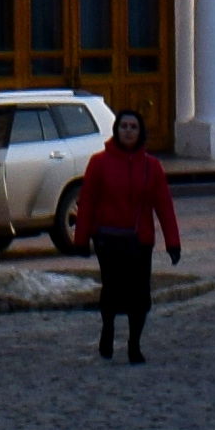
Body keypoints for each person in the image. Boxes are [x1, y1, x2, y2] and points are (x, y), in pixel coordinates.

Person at [74, 106, 185, 363]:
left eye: (133, 127)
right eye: (124, 126)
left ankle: (134, 344)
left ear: (140, 132)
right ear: (116, 130)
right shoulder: (99, 163)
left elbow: (164, 206)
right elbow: (87, 201)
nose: (128, 131)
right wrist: (81, 239)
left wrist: (173, 243)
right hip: (108, 239)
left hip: (139, 240)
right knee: (111, 289)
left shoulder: (152, 166)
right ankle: (108, 329)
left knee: (139, 294)